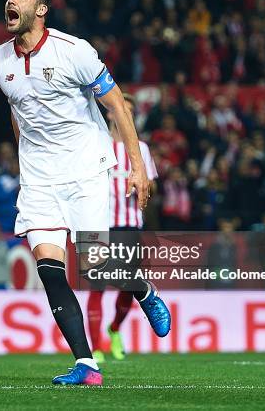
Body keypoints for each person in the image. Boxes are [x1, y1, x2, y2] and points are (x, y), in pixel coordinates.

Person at [0, 0, 170, 386]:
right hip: (38, 179)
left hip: (86, 170)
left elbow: (118, 108)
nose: (10, 0)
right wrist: (24, 161)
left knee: (97, 265)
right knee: (51, 270)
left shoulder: (75, 52)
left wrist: (138, 169)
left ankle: (143, 291)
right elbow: (18, 111)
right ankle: (87, 364)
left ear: (41, 9)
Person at [86, 95, 160, 363]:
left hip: (128, 225)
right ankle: (95, 348)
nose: (123, 114)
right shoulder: (95, 144)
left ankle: (114, 329)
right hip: (96, 226)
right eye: (120, 109)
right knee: (96, 287)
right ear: (109, 113)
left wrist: (142, 186)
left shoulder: (140, 148)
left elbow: (152, 186)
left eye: (128, 110)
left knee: (128, 286)